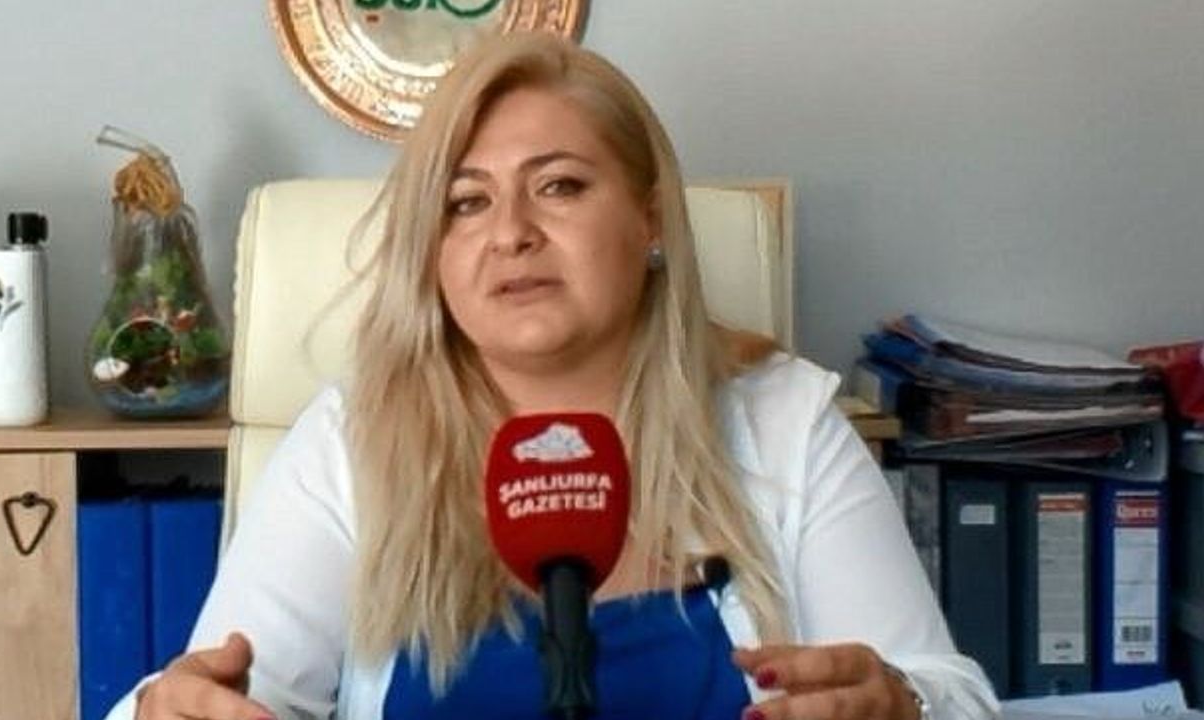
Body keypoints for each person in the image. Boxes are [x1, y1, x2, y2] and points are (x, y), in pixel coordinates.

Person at [110, 32, 998, 720]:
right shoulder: (355, 438)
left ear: (651, 220)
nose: (511, 234)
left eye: (560, 186)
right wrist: (160, 707)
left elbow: (949, 695)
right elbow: (222, 693)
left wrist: (904, 703)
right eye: (466, 203)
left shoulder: (784, 421)